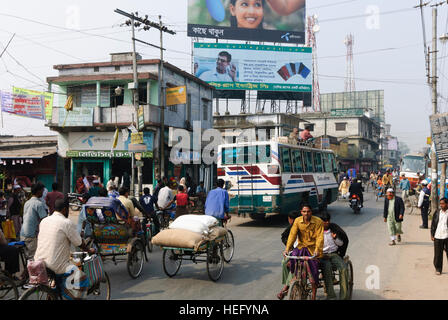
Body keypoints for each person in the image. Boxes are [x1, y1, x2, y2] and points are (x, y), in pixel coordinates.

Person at [34, 197, 93, 300]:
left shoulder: (44, 221)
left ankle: (54, 293)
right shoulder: (66, 223)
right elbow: (79, 243)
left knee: (57, 281)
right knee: (82, 277)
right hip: (55, 265)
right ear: (65, 209)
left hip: (39, 261)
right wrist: (88, 250)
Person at [282, 203, 324, 301]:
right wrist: (287, 249)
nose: (306, 213)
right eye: (304, 211)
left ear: (311, 212)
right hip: (301, 248)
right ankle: (294, 279)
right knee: (290, 260)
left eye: (308, 211)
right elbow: (292, 235)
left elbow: (320, 238)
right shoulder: (297, 221)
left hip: (313, 250)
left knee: (313, 271)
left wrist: (317, 251)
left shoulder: (318, 221)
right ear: (301, 212)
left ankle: (313, 294)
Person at [319, 212, 349, 300]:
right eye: (324, 221)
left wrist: (335, 238)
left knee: (343, 269)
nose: (326, 223)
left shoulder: (334, 230)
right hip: (322, 255)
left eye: (328, 221)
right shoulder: (316, 231)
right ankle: (331, 296)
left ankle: (344, 297)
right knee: (327, 269)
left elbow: (341, 243)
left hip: (333, 254)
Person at [20, 182, 48, 259]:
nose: (43, 193)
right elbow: (44, 220)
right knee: (33, 259)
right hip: (31, 235)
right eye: (42, 191)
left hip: (23, 233)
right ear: (38, 191)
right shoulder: (38, 204)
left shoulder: (27, 203)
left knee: (28, 258)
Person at [278, 210, 300, 299]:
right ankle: (287, 284)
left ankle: (286, 287)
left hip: (303, 251)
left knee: (293, 265)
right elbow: (284, 236)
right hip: (294, 251)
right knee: (284, 262)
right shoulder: (290, 228)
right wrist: (288, 247)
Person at [431, 198, 448, 275]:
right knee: (438, 254)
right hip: (438, 235)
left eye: (443, 204)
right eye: (440, 204)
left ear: (447, 204)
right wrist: (432, 234)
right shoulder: (437, 212)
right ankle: (438, 268)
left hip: (446, 236)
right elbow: (433, 224)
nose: (441, 205)